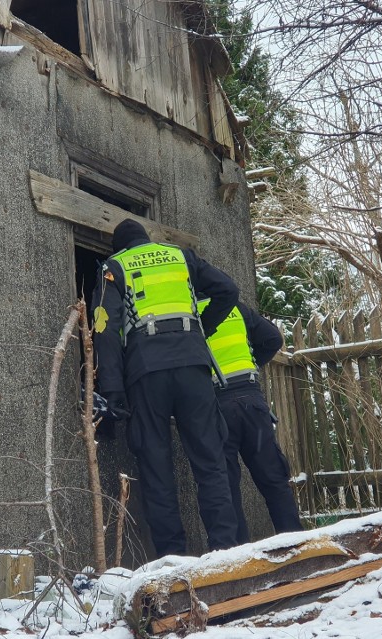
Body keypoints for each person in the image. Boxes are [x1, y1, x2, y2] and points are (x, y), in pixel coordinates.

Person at [91, 218, 239, 557]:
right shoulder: (180, 256)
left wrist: (113, 390)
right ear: (147, 240)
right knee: (210, 462)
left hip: (146, 372)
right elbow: (228, 290)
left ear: (121, 247)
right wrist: (202, 331)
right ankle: (226, 551)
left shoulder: (115, 267)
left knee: (157, 467)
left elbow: (105, 329)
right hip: (193, 367)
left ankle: (173, 559)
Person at [199, 298, 303, 544]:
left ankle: (239, 557)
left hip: (216, 405)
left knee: (226, 486)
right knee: (274, 478)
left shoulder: (190, 311)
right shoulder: (235, 306)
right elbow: (273, 339)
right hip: (250, 399)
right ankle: (297, 545)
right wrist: (253, 362)